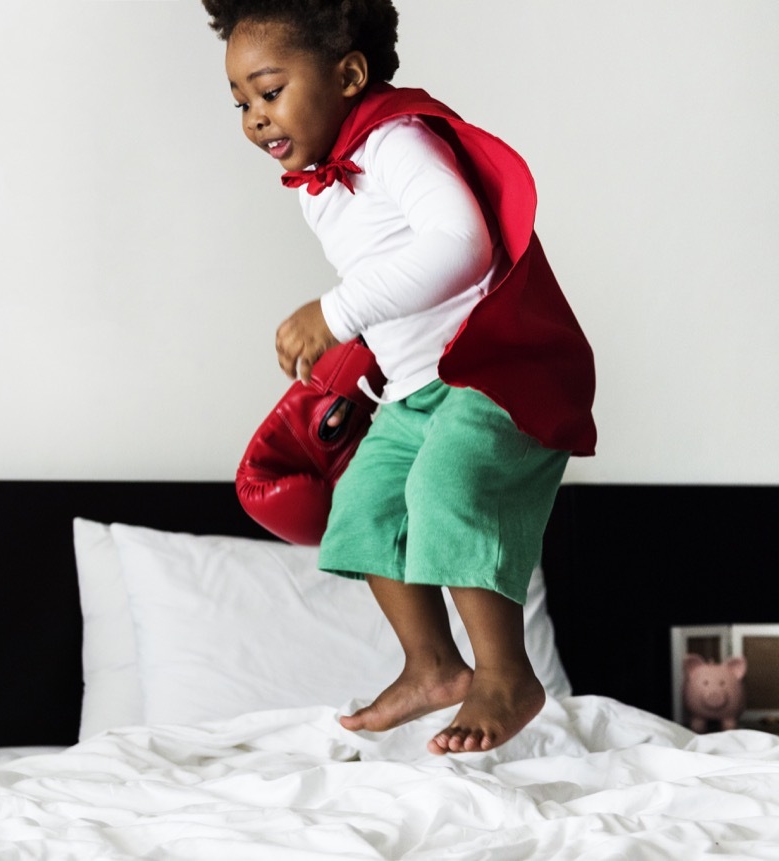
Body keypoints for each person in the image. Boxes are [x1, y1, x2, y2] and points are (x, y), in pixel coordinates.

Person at [202, 0, 596, 754]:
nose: (255, 116)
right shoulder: (321, 186)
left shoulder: (394, 142)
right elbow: (394, 284)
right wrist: (355, 359)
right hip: (414, 389)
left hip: (490, 374)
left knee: (444, 489)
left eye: (270, 89)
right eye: (242, 101)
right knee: (362, 507)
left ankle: (507, 673)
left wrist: (336, 311)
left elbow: (464, 245)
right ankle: (433, 666)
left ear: (348, 74)